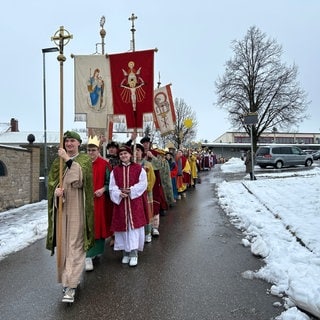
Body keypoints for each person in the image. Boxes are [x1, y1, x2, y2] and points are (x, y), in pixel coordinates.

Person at [46, 130, 94, 303]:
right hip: (62, 207)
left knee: (75, 245)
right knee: (64, 247)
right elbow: (52, 184)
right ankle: (67, 280)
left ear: (79, 143)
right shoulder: (56, 162)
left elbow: (79, 181)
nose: (69, 144)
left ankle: (70, 286)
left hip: (77, 207)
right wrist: (55, 191)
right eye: (67, 141)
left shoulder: (85, 160)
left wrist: (67, 159)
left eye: (73, 141)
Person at [109, 145, 148, 267]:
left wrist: (131, 190)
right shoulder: (115, 170)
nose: (123, 156)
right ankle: (125, 253)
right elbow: (112, 186)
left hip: (134, 202)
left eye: (125, 154)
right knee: (122, 229)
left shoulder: (138, 169)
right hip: (121, 203)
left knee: (134, 228)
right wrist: (118, 193)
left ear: (130, 155)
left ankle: (134, 253)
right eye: (121, 154)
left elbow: (143, 184)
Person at [85, 135, 113, 271]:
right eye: (89, 150)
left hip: (100, 200)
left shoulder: (105, 164)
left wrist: (103, 189)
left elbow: (110, 183)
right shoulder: (82, 164)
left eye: (93, 150)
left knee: (99, 226)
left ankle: (96, 253)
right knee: (88, 226)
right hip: (85, 200)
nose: (90, 153)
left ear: (97, 151)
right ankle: (87, 256)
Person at [135, 143, 156, 243]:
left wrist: (145, 188)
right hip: (135, 195)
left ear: (142, 152)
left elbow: (152, 179)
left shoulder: (148, 164)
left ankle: (148, 233)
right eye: (134, 150)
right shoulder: (132, 165)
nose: (136, 153)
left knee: (147, 213)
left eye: (138, 150)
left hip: (146, 194)